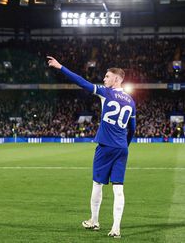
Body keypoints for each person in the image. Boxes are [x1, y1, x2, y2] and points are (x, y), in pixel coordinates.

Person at [47, 56, 136, 238]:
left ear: (117, 79)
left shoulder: (106, 93)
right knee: (118, 188)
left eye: (107, 76)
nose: (104, 79)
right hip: (121, 148)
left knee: (97, 183)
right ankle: (116, 228)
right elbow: (132, 129)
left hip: (105, 146)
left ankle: (94, 221)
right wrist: (124, 145)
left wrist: (60, 67)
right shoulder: (131, 101)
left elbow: (82, 82)